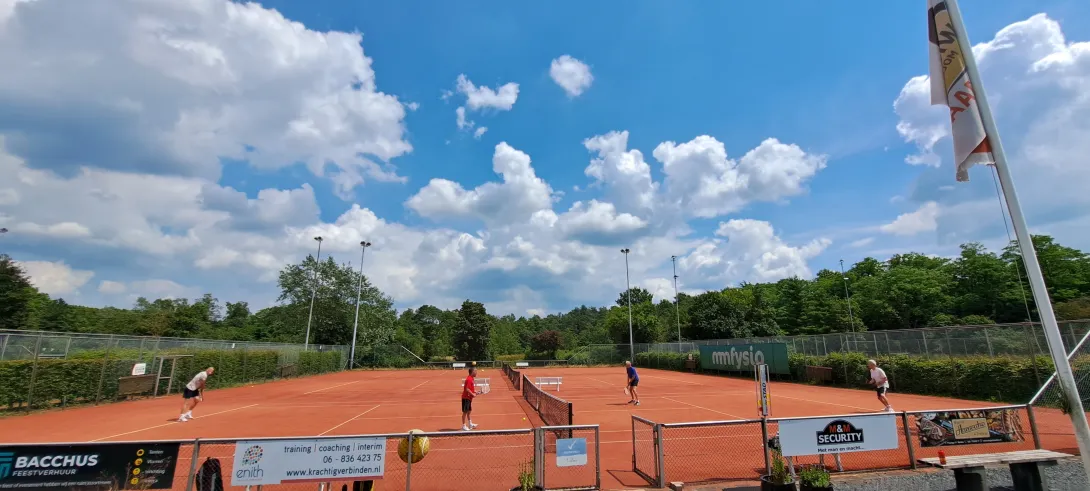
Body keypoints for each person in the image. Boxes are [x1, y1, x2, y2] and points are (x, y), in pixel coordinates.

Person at [461, 366, 483, 431]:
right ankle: (464, 426)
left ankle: (470, 423)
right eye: (475, 371)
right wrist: (473, 394)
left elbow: (470, 389)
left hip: (469, 398)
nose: (476, 373)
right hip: (466, 398)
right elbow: (467, 389)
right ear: (472, 372)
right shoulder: (469, 379)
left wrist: (476, 392)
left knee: (469, 411)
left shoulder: (472, 379)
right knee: (465, 412)